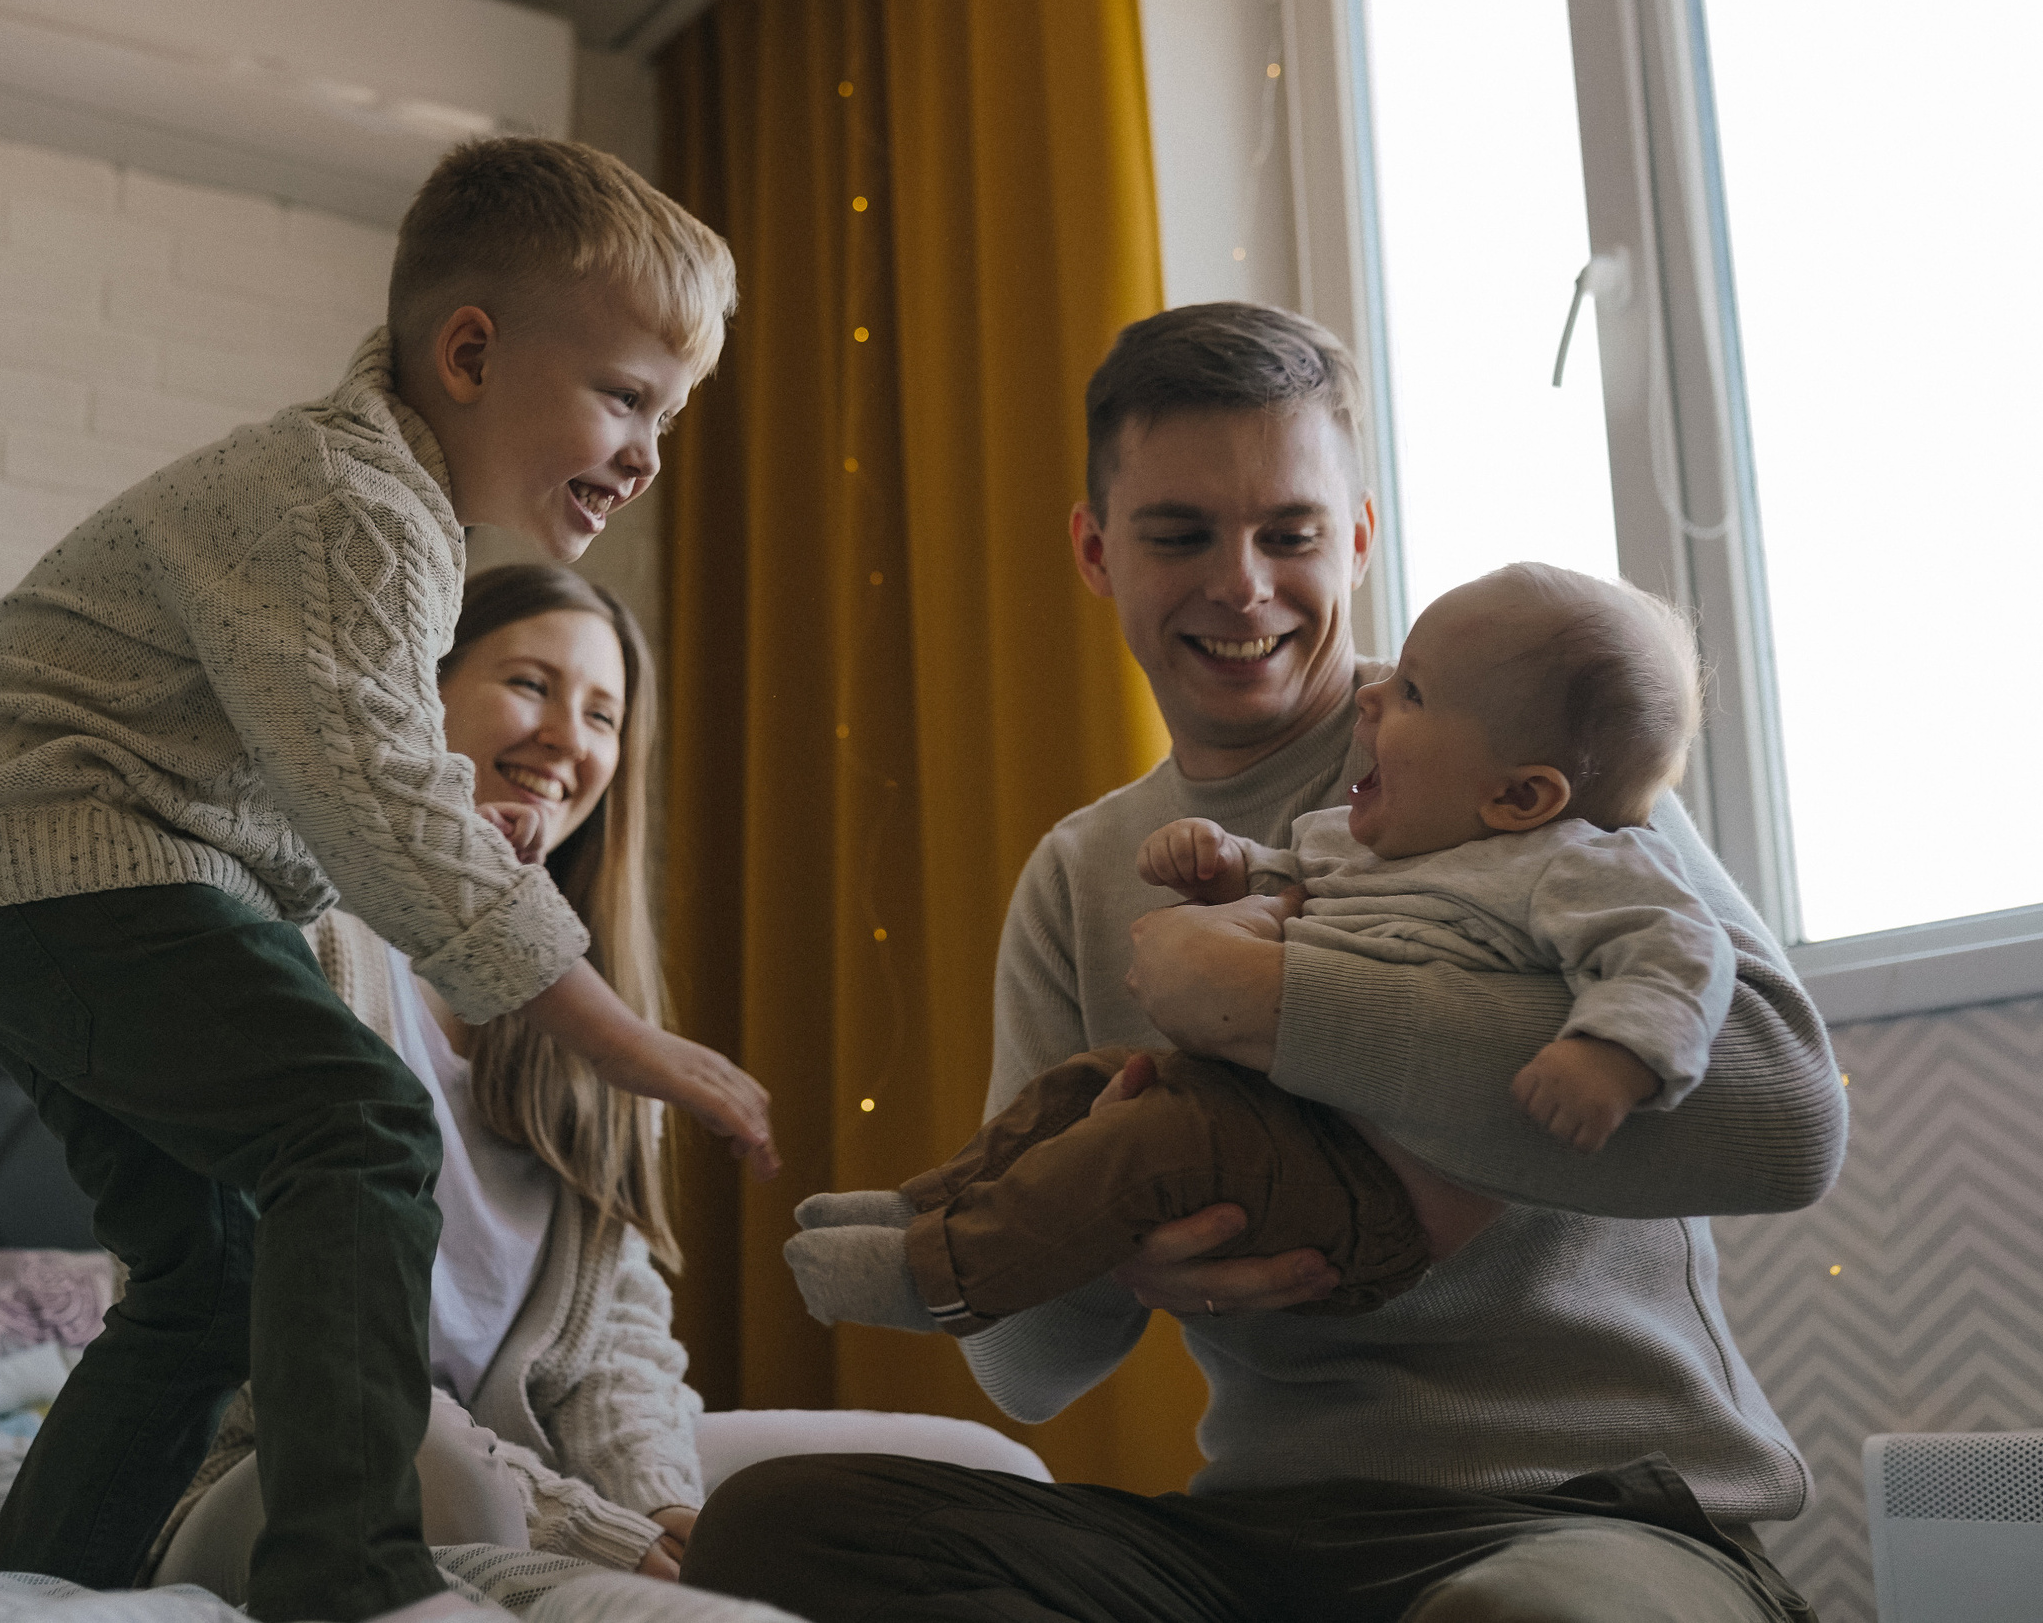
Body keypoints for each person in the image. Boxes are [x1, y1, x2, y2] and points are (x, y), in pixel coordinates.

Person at [682, 303, 1842, 1622]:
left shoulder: (1528, 760)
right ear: (1094, 548)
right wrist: (1121, 1241)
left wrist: (1283, 1006)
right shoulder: (1083, 871)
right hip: (1260, 1542)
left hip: (1591, 1516)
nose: (1243, 583)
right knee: (784, 1528)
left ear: (1354, 534)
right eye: (1180, 533)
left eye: (1289, 532)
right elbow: (1028, 1371)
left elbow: (1788, 1123)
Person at [0, 138, 778, 1623]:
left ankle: (40, 1586)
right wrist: (629, 1037)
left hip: (16, 866)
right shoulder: (351, 504)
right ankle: (349, 1574)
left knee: (208, 1275)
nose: (646, 453)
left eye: (667, 415)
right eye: (626, 397)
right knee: (357, 1121)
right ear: (472, 353)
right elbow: (380, 799)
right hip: (61, 849)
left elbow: (340, 795)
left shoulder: (377, 507)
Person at [141, 566, 1051, 1609]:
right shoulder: (298, 947)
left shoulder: (593, 1033)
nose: (569, 737)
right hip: (293, 1461)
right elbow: (276, 1332)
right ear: (417, 690)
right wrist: (586, 1527)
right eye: (530, 684)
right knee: (441, 1473)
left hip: (533, 1458)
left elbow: (615, 1336)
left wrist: (658, 1508)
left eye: (604, 716)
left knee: (985, 1476)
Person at [782, 562, 1733, 1337]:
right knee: (1090, 1088)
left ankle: (935, 1277)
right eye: (1182, 533)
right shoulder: (1372, 841)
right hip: (1284, 1135)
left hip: (1374, 1201)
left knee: (1158, 1142)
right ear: (1094, 548)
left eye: (1410, 691)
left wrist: (1613, 1053)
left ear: (1520, 799)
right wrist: (1225, 866)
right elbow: (1287, 876)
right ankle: (929, 1211)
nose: (1369, 694)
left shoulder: (1574, 865)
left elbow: (1679, 949)